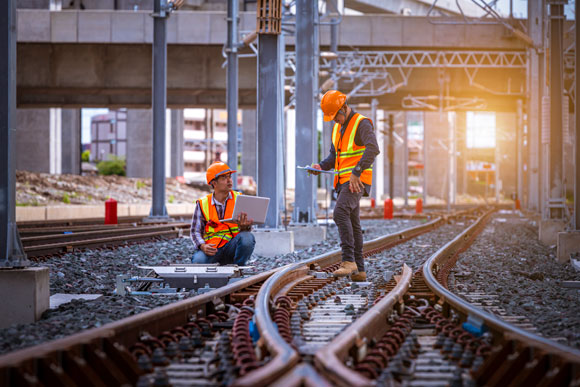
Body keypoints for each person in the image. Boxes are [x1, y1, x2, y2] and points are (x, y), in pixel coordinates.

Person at [311, 90, 380, 282]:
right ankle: (359, 270)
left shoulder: (361, 123)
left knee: (339, 213)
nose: (335, 120)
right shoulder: (337, 128)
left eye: (336, 116)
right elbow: (334, 157)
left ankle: (348, 261)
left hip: (356, 182)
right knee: (353, 222)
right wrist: (321, 166)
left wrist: (357, 172)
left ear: (344, 107)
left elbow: (373, 148)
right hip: (343, 183)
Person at [190, 162, 255, 265]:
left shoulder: (240, 198)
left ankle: (238, 268)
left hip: (232, 248)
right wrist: (202, 246)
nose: (229, 180)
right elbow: (195, 231)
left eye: (230, 177)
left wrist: (245, 227)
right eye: (224, 178)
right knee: (198, 261)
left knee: (247, 238)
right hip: (212, 249)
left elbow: (246, 232)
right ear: (214, 183)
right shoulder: (203, 203)